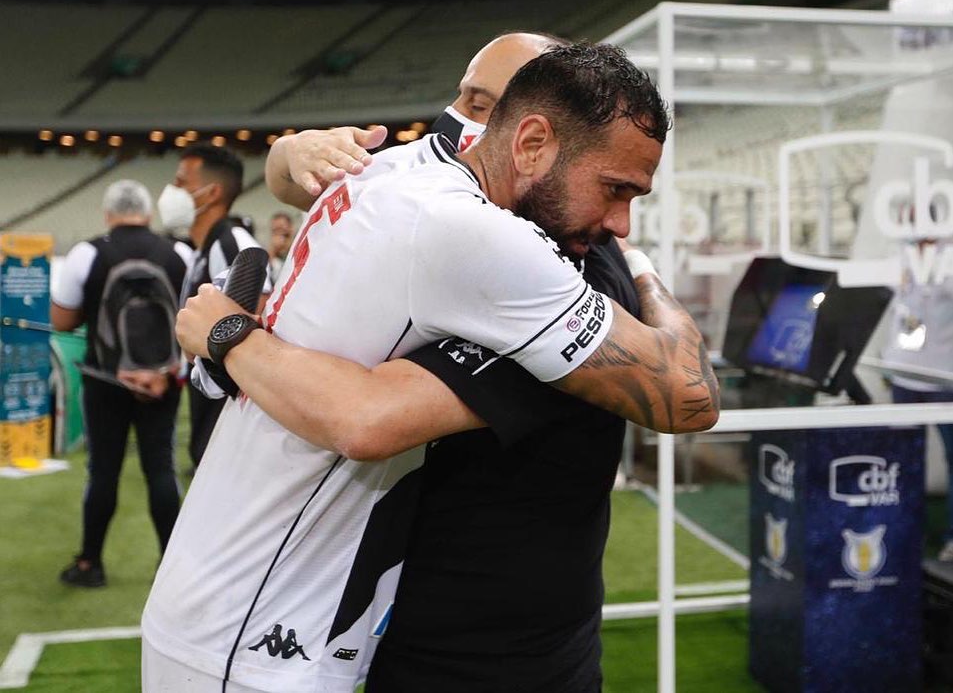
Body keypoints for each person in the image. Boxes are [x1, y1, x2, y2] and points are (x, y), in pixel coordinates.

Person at [144, 42, 717, 693]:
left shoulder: (390, 170)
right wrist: (642, 272)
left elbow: (287, 178)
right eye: (614, 190)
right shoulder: (480, 235)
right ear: (531, 138)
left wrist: (284, 160)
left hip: (237, 583)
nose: (619, 224)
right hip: (255, 620)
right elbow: (687, 394)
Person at [52, 180, 187, 588]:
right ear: (148, 212)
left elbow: (62, 320)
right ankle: (172, 568)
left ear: (108, 213)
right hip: (162, 381)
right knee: (160, 468)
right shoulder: (179, 253)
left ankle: (90, 564)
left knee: (103, 471)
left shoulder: (87, 253)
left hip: (106, 379)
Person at [156, 142, 268, 469]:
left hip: (227, 405)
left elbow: (259, 314)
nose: (172, 190)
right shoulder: (204, 248)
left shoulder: (232, 242)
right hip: (209, 398)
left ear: (212, 192)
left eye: (181, 182)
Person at [883, 232, 953, 562]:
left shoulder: (948, 254)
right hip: (904, 374)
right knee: (903, 459)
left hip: (944, 377)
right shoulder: (900, 249)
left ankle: (951, 536)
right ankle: (905, 532)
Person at [267, 211, 294, 282]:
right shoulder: (271, 256)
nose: (279, 232)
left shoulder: (298, 248)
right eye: (275, 230)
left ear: (291, 228)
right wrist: (273, 250)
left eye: (281, 228)